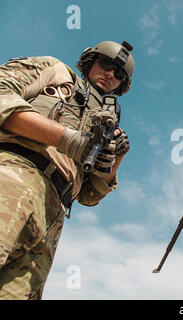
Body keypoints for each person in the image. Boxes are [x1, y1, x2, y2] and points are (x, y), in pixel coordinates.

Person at [0, 40, 134, 299]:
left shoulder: (107, 117)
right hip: (14, 174)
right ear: (90, 61)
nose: (110, 74)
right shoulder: (57, 72)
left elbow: (88, 197)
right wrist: (68, 140)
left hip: (54, 212)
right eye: (106, 64)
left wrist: (116, 157)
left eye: (119, 74)